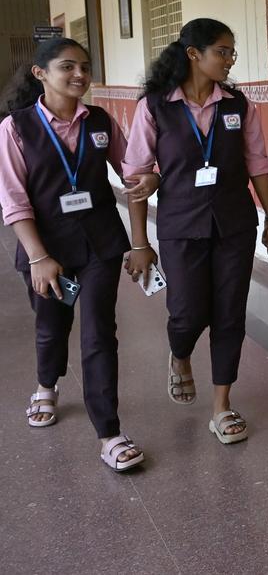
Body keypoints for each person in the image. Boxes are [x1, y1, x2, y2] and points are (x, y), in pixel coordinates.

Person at [123, 18, 268, 444]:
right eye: (222, 52)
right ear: (194, 54)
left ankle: (222, 406)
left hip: (234, 223)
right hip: (181, 225)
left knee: (230, 312)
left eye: (232, 52)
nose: (230, 60)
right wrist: (139, 242)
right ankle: (179, 355)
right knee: (188, 311)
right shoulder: (155, 106)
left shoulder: (238, 105)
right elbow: (137, 177)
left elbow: (258, 164)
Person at [0, 38, 156, 471]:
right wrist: (37, 256)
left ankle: (109, 433)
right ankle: (46, 386)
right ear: (40, 74)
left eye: (85, 67)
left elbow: (133, 170)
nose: (79, 75)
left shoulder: (100, 121)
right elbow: (13, 200)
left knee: (99, 334)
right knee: (52, 326)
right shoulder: (16, 128)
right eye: (67, 67)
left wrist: (149, 180)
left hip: (100, 245)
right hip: (46, 248)